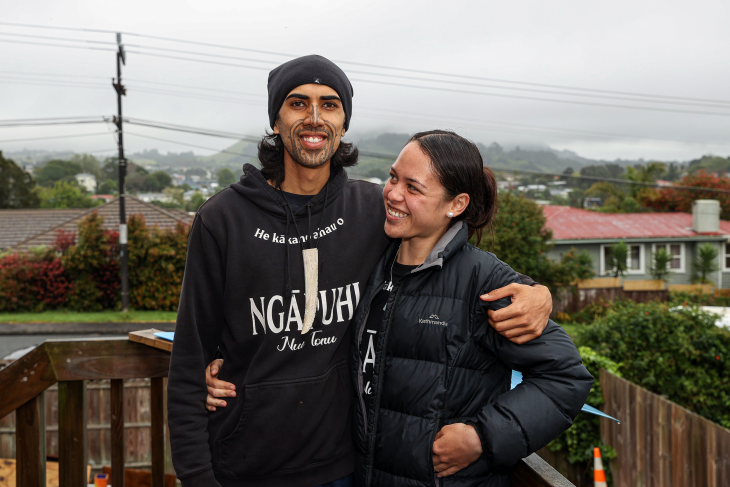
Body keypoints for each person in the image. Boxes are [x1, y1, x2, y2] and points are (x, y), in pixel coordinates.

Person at [167, 55, 553, 487]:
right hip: (242, 468)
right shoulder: (222, 220)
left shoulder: (376, 211)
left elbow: (449, 255)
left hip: (344, 468)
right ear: (275, 120)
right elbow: (188, 363)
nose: (315, 118)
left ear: (344, 123)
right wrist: (197, 476)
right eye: (298, 103)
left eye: (329, 105)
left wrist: (537, 292)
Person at [350, 130, 593, 487]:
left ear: (456, 204)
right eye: (392, 177)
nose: (392, 193)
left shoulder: (483, 282)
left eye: (413, 187)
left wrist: (483, 436)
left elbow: (566, 378)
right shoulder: (373, 261)